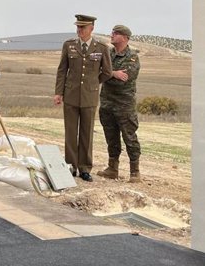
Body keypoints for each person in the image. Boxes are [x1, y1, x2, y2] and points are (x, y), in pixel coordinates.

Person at [54, 14, 113, 182]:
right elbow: (62, 70)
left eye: (83, 27)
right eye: (78, 27)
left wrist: (93, 83)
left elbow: (107, 72)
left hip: (89, 96)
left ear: (91, 28)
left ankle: (85, 168)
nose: (79, 30)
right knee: (71, 132)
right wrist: (58, 92)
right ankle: (71, 166)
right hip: (71, 94)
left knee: (87, 133)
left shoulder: (101, 47)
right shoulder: (69, 45)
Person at [97, 25, 142, 182]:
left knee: (129, 136)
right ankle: (112, 168)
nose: (112, 35)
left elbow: (123, 81)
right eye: (112, 33)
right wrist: (114, 73)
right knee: (111, 136)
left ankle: (135, 171)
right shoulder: (107, 53)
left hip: (124, 104)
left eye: (116, 33)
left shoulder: (132, 58)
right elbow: (95, 72)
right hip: (107, 102)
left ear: (125, 37)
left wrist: (106, 75)